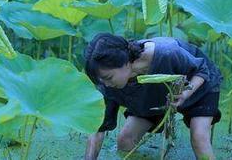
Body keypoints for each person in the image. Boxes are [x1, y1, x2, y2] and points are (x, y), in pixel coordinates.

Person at [83, 33, 223, 160]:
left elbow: (202, 70)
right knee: (125, 140)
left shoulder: (166, 53)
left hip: (197, 86)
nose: (106, 84)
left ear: (124, 62)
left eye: (109, 77)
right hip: (149, 95)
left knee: (199, 139)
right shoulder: (107, 84)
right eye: (101, 80)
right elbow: (98, 128)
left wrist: (185, 94)